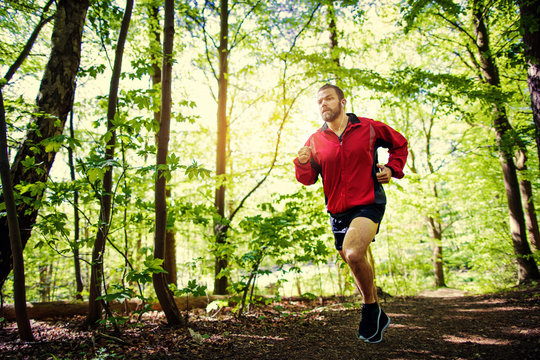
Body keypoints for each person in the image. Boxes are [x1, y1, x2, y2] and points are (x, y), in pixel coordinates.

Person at [294, 84, 408, 343]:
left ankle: (369, 309)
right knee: (352, 259)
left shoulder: (367, 127)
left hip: (369, 202)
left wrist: (392, 168)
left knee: (354, 252)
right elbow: (308, 178)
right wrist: (302, 163)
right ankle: (377, 311)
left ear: (342, 102)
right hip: (337, 211)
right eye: (319, 101)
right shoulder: (315, 140)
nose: (323, 104)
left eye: (329, 99)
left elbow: (399, 144)